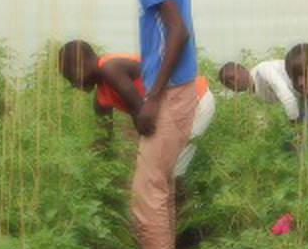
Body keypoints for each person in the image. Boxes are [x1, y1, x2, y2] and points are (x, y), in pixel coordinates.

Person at [96, 0, 201, 249]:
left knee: (145, 194)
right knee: (160, 191)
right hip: (174, 90)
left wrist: (152, 98)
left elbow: (179, 33)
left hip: (172, 94)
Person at [62, 41, 216, 179]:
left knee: (167, 172)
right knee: (163, 172)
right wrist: (91, 165)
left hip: (195, 100)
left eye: (71, 77)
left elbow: (142, 114)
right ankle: (175, 208)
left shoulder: (111, 68)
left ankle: (179, 209)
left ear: (81, 64)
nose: (73, 85)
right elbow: (104, 141)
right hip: (178, 110)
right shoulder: (101, 100)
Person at [218, 59, 304, 123]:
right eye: (228, 84)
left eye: (232, 78)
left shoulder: (262, 70)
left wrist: (295, 127)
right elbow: (262, 117)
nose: (233, 84)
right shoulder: (251, 93)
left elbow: (286, 96)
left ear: (242, 69)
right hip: (302, 99)